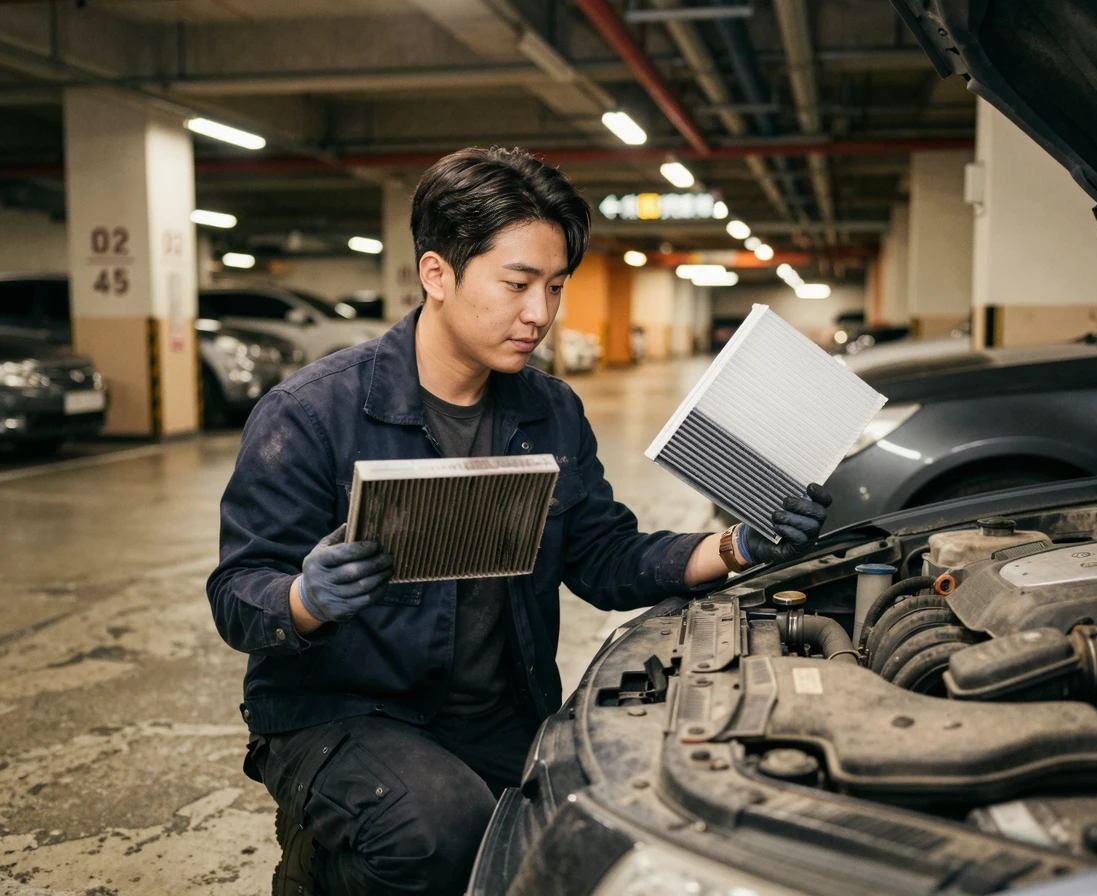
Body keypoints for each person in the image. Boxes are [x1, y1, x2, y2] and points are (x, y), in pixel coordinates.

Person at [206, 146, 831, 896]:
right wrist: (305, 600)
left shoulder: (549, 410)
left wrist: (736, 545)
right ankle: (324, 873)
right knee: (441, 830)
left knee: (608, 835)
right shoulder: (311, 414)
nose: (540, 313)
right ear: (437, 274)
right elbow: (238, 594)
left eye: (556, 286)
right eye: (517, 283)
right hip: (341, 712)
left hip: (495, 711)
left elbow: (602, 556)